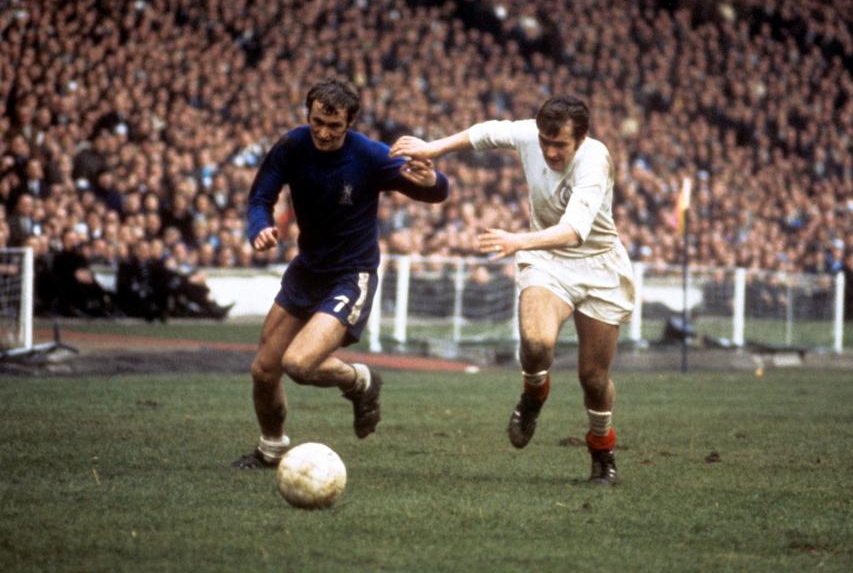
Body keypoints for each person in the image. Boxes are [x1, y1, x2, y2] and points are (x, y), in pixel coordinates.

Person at [390, 96, 635, 485]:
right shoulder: (529, 136)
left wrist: (517, 239)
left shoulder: (595, 160)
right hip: (547, 260)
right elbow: (485, 133)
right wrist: (431, 147)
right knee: (537, 344)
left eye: (560, 145)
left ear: (582, 138)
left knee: (592, 377)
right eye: (544, 142)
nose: (550, 152)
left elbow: (574, 230)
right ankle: (533, 394)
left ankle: (602, 449)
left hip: (598, 266)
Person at [233, 78, 449, 469]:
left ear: (350, 123)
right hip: (307, 270)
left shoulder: (368, 155)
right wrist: (259, 226)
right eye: (318, 121)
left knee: (299, 364)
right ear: (309, 115)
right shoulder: (293, 145)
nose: (324, 132)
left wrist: (433, 180)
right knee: (264, 369)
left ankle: (360, 381)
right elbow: (260, 196)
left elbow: (435, 192)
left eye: (335, 126)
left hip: (351, 274)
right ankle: (271, 451)